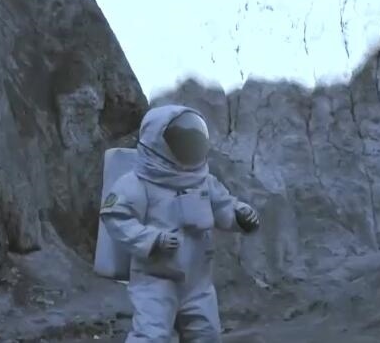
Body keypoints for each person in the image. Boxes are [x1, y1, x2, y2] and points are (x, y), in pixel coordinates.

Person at [100, 105, 261, 343]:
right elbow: (116, 218)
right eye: (183, 141)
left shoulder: (203, 181)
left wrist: (240, 216)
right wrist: (153, 239)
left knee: (206, 335)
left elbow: (224, 207)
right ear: (158, 143)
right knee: (151, 336)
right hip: (155, 279)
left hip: (198, 281)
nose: (189, 146)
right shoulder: (136, 184)